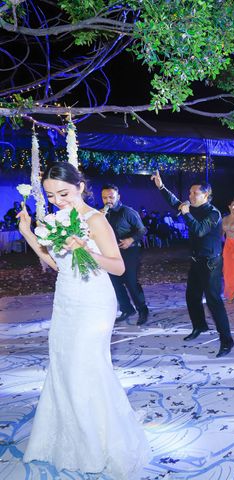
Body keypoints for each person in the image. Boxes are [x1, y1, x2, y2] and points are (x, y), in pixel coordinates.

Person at [18, 162, 150, 478]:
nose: (58, 200)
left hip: (93, 302)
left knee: (85, 366)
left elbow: (118, 267)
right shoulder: (56, 219)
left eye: (63, 193)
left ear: (80, 186)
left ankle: (97, 443)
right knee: (63, 365)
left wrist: (83, 249)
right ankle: (70, 439)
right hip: (66, 299)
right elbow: (54, 263)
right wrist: (27, 232)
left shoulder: (96, 219)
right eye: (51, 195)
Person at [151, 171, 234, 356]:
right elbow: (175, 202)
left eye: (194, 193)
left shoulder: (214, 213)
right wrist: (161, 187)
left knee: (214, 301)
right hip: (196, 261)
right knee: (192, 296)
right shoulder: (191, 207)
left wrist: (187, 213)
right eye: (189, 193)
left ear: (206, 195)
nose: (190, 196)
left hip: (211, 263)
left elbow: (199, 230)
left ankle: (227, 340)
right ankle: (200, 326)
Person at [101, 184, 150, 325]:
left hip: (130, 250)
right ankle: (127, 309)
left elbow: (142, 230)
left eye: (111, 197)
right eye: (105, 197)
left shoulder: (128, 212)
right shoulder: (102, 214)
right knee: (115, 282)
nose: (108, 200)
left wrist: (131, 239)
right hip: (112, 252)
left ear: (118, 197)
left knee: (131, 281)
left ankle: (142, 310)